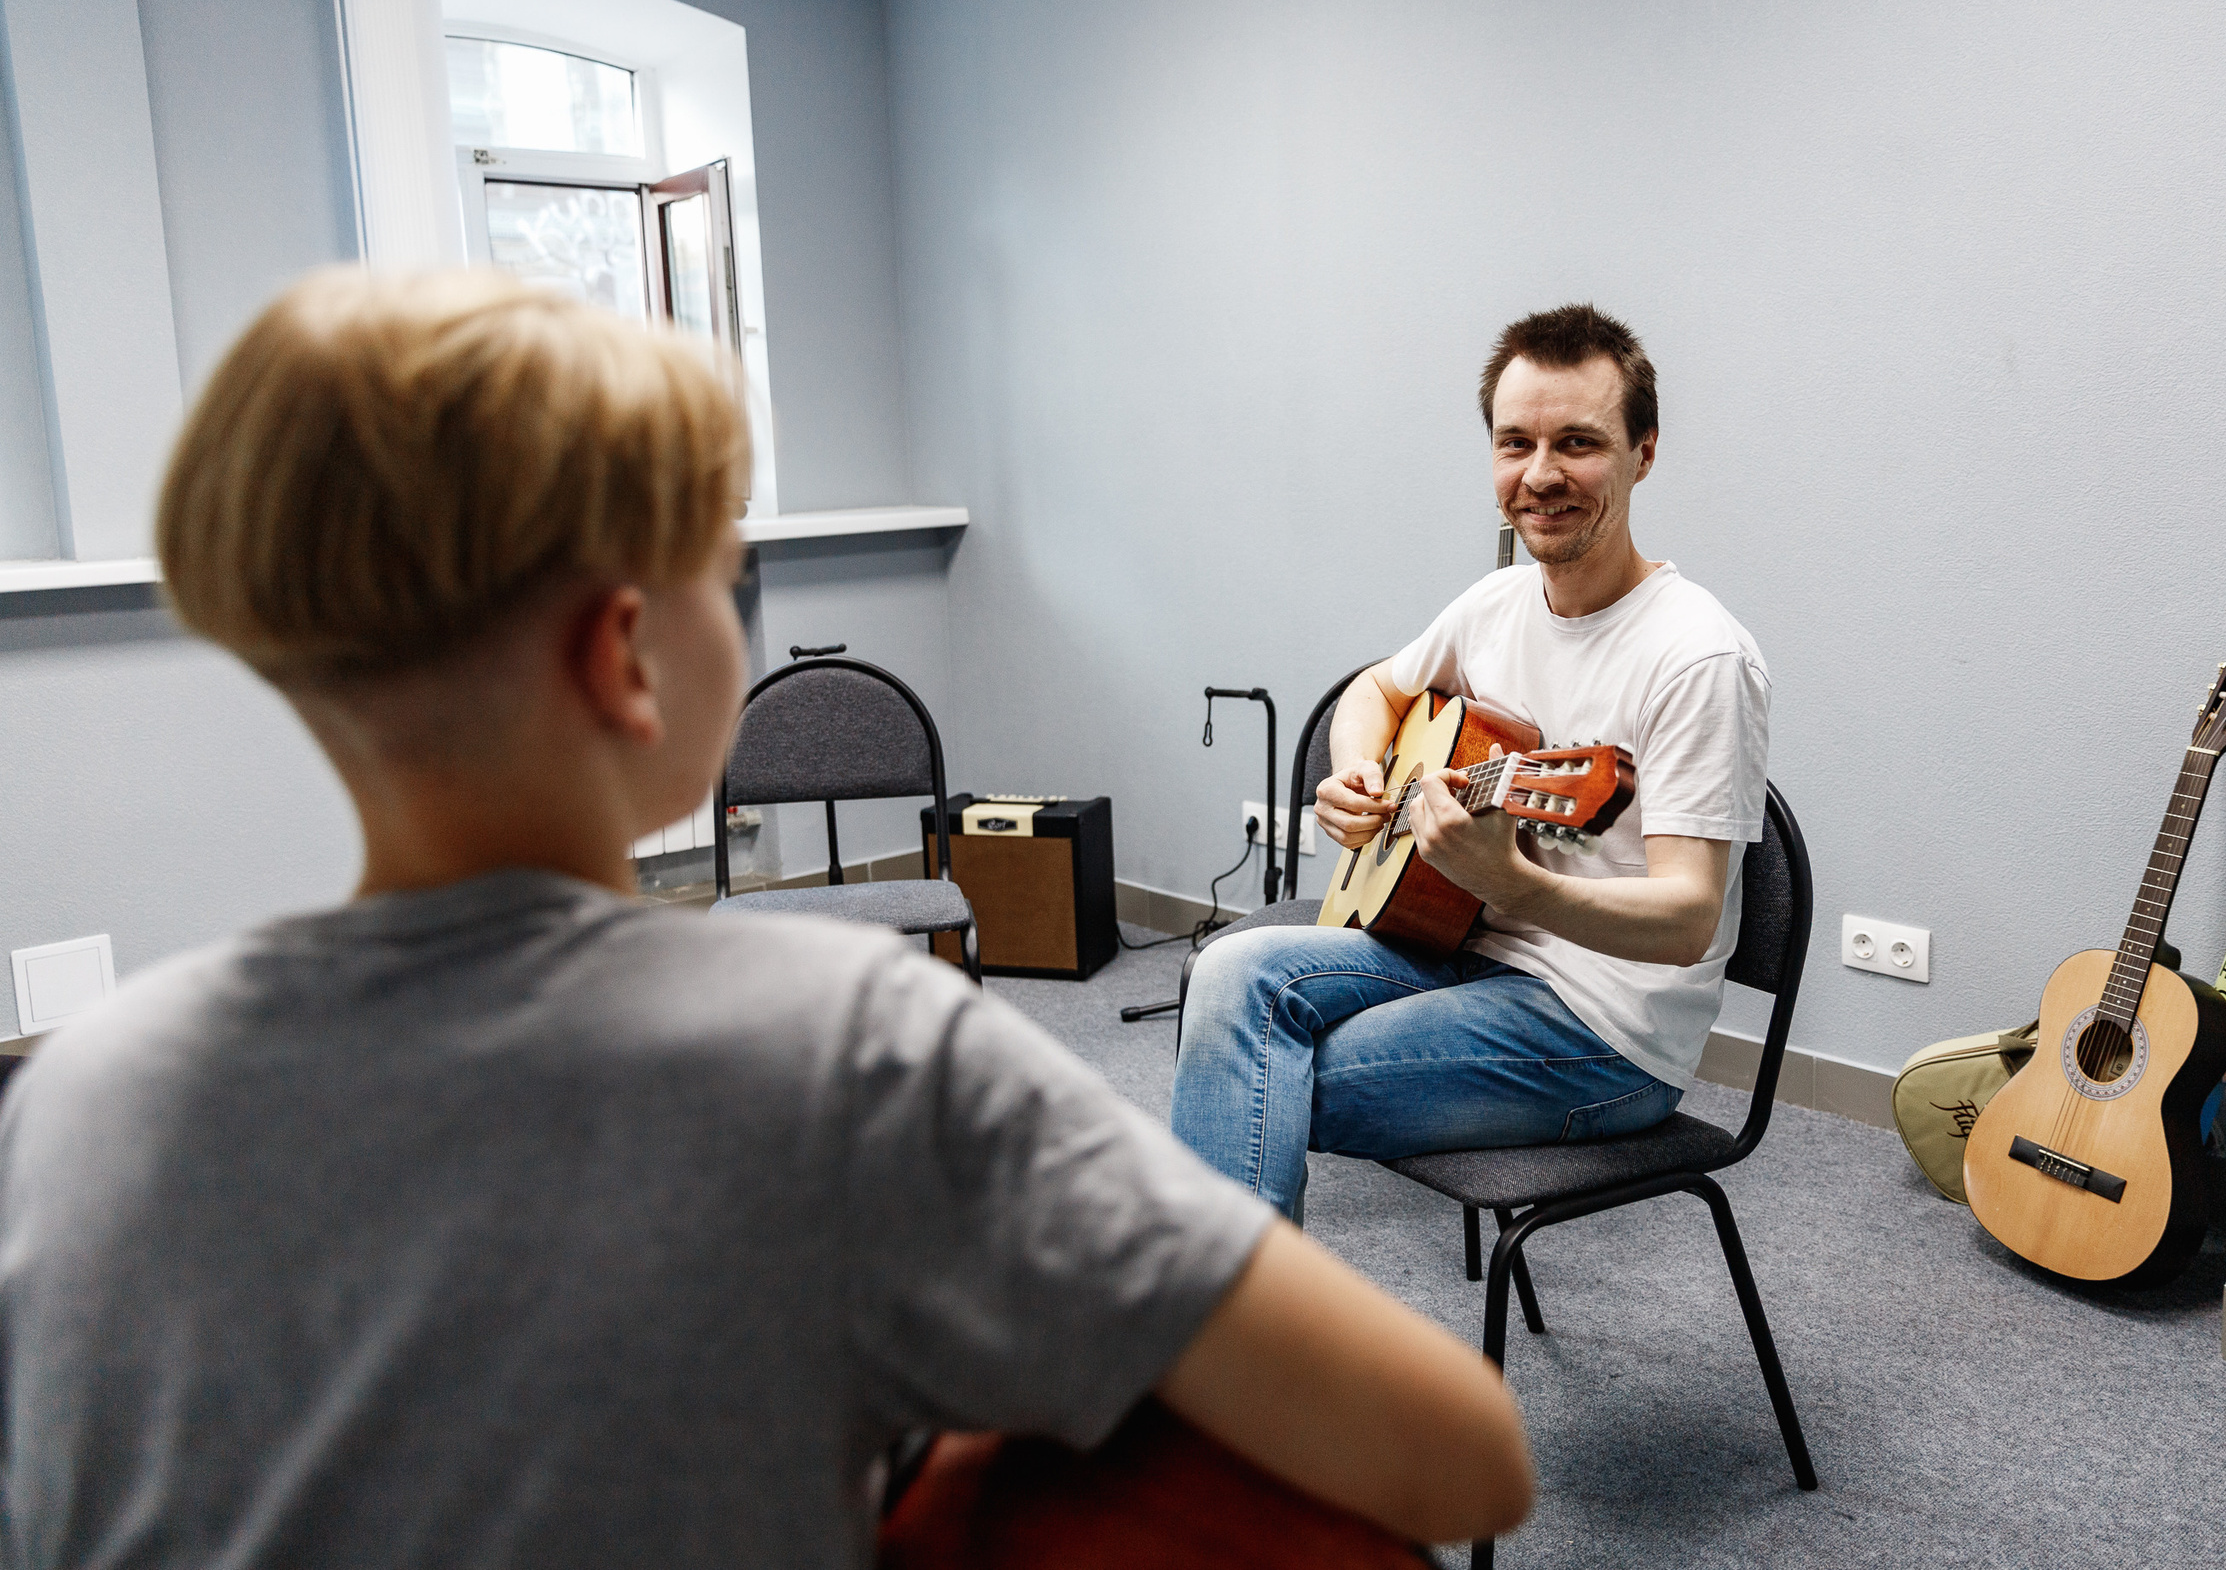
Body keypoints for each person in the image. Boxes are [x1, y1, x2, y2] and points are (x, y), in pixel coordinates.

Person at [0, 269, 1531, 1568]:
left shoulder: (79, 1091)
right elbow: (1462, 1459)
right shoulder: (846, 1048)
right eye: (726, 576)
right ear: (626, 656)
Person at [1169, 304, 1770, 1218]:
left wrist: (1518, 884)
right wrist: (1360, 772)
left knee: (1251, 1079)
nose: (1540, 474)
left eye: (1578, 442)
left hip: (1602, 1029)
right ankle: (1236, 1333)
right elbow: (1373, 689)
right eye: (1514, 443)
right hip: (1459, 944)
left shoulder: (1697, 656)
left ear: (1645, 450)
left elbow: (1688, 917)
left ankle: (1226, 1341)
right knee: (1225, 976)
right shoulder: (1495, 602)